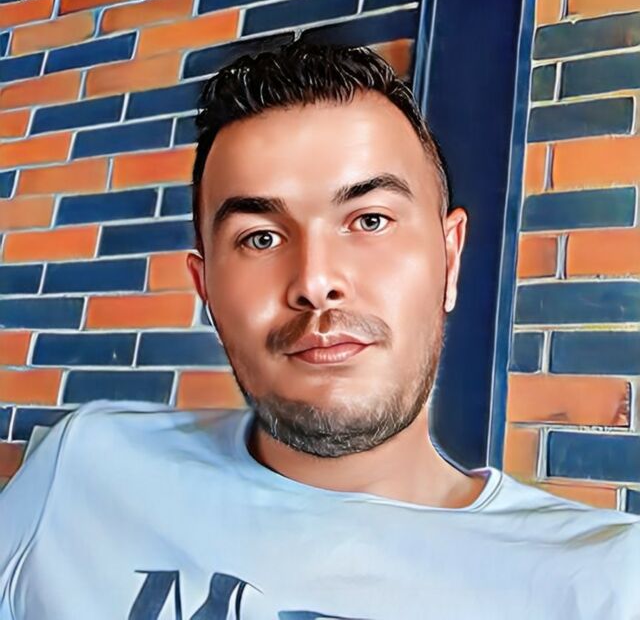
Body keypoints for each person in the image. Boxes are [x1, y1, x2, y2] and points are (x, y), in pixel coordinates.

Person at [0, 40, 638, 620]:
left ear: (450, 259)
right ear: (207, 290)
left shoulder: (605, 583)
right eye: (260, 237)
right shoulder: (82, 468)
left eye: (369, 221)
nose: (315, 280)